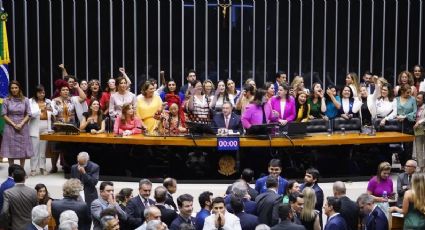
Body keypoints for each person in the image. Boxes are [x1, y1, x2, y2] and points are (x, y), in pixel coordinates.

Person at [0, 80, 33, 167]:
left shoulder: (25, 99)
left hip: (22, 126)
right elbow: (4, 115)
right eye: (12, 88)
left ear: (19, 88)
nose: (14, 89)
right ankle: (11, 171)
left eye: (16, 88)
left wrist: (21, 124)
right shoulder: (6, 100)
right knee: (10, 149)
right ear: (10, 89)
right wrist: (14, 124)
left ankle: (21, 170)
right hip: (10, 126)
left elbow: (29, 114)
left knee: (22, 149)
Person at [29, 84, 55, 176]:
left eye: (43, 92)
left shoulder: (48, 101)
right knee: (34, 149)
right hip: (35, 125)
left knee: (43, 149)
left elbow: (55, 112)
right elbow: (30, 114)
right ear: (36, 93)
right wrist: (40, 109)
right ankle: (33, 169)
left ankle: (42, 167)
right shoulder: (31, 101)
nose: (42, 94)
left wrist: (51, 109)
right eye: (40, 92)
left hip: (45, 125)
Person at [396, 84, 417, 165]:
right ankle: (401, 164)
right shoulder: (396, 99)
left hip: (408, 124)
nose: (409, 94)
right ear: (402, 91)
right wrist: (397, 116)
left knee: (408, 146)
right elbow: (393, 110)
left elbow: (415, 112)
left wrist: (405, 116)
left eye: (410, 92)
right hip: (398, 124)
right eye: (407, 92)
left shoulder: (412, 99)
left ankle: (408, 165)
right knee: (399, 145)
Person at [414, 92, 425, 172]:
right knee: (418, 149)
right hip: (417, 130)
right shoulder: (415, 107)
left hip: (423, 128)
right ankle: (420, 166)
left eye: (419, 98)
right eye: (416, 98)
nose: (417, 100)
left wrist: (419, 122)